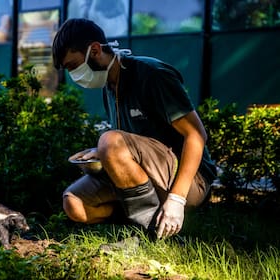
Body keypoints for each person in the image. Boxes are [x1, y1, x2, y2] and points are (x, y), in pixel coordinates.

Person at [52, 18, 217, 239]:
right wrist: (100, 152)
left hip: (189, 180)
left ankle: (147, 234)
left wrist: (177, 199)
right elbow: (130, 143)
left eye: (73, 66)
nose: (73, 76)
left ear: (95, 49)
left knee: (109, 141)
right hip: (147, 174)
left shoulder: (152, 74)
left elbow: (197, 135)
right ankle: (150, 220)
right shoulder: (108, 87)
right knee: (74, 204)